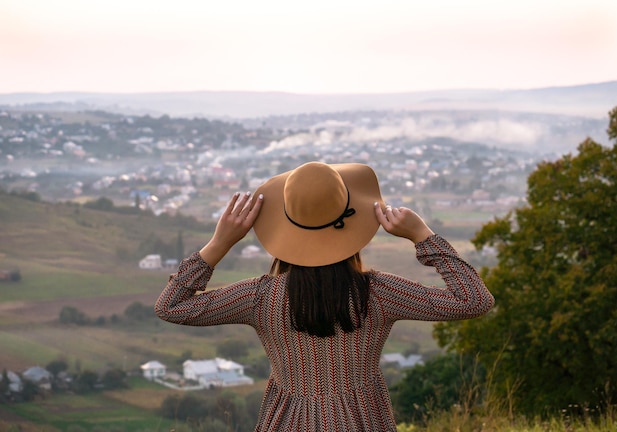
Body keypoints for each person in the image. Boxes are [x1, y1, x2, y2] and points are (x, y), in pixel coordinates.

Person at [155, 161, 494, 431]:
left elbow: (171, 306)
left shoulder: (261, 297)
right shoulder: (378, 292)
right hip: (365, 421)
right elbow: (475, 299)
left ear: (284, 227)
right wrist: (422, 235)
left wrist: (220, 243)